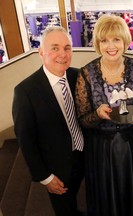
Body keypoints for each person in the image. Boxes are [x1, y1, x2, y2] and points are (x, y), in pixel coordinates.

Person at [75, 14, 133, 216]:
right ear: (97, 43)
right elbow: (83, 119)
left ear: (124, 41)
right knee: (106, 201)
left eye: (116, 39)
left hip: (132, 146)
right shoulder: (86, 73)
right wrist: (98, 114)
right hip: (101, 149)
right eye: (104, 40)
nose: (111, 46)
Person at [12, 26, 85, 216]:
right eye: (55, 48)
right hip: (57, 167)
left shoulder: (78, 76)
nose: (63, 54)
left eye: (67, 48)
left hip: (84, 154)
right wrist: (45, 177)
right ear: (41, 52)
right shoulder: (25, 91)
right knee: (64, 209)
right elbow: (25, 140)